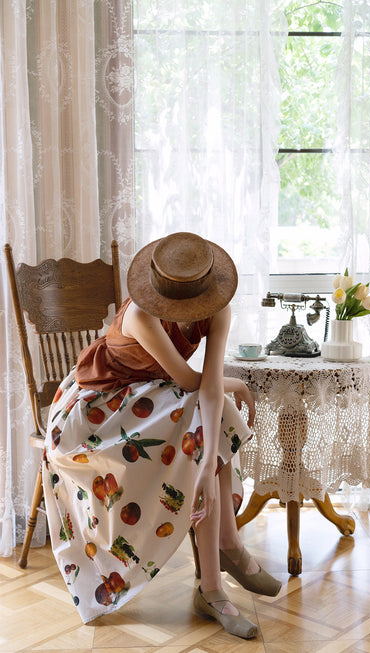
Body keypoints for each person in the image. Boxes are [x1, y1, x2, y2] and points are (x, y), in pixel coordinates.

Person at [43, 232, 281, 639]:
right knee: (207, 412)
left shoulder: (216, 310)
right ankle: (225, 557)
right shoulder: (143, 315)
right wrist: (233, 384)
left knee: (209, 415)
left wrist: (209, 466)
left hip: (151, 397)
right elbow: (191, 379)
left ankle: (218, 573)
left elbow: (202, 386)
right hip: (96, 409)